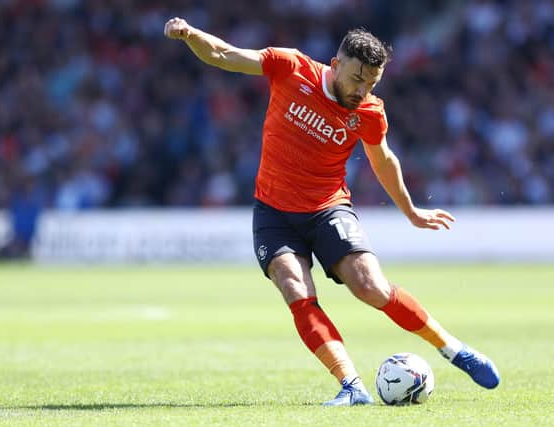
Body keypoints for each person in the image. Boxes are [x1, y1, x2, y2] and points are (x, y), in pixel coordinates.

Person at [164, 18, 500, 406]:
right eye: (357, 79)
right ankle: (352, 386)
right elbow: (224, 54)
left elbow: (383, 160)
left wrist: (410, 211)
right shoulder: (290, 67)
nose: (362, 90)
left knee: (370, 288)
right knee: (295, 289)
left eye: (372, 83)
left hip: (328, 208)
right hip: (274, 212)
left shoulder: (370, 112)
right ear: (335, 65)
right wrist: (190, 35)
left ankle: (453, 349)